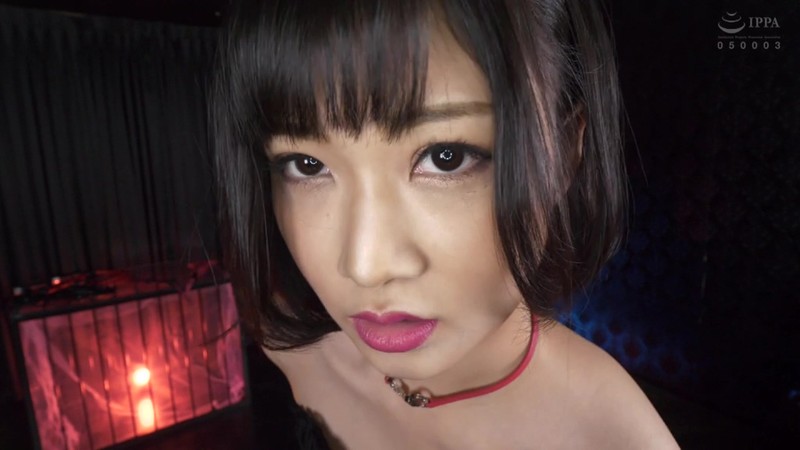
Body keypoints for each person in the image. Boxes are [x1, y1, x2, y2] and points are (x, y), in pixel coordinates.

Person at [211, 0, 679, 448]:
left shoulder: (613, 440)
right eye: (307, 165)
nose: (365, 266)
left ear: (565, 156)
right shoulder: (284, 341)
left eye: (446, 157)